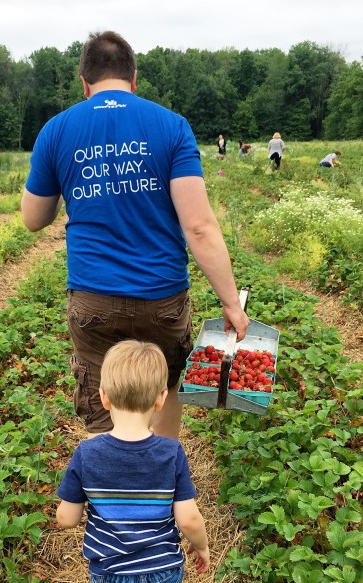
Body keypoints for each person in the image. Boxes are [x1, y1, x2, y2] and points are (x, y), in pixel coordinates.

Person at [21, 31, 249, 439]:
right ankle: (160, 488)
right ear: (134, 78)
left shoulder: (56, 131)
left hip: (93, 298)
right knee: (163, 389)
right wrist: (231, 303)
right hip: (161, 296)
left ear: (84, 81)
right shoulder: (171, 126)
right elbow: (198, 226)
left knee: (100, 403)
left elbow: (33, 218)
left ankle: (107, 497)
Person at [56, 340, 210, 583]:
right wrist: (202, 547)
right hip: (164, 575)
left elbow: (67, 518)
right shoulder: (171, 452)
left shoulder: (87, 454)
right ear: (161, 399)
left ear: (104, 397)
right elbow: (189, 519)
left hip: (112, 581)